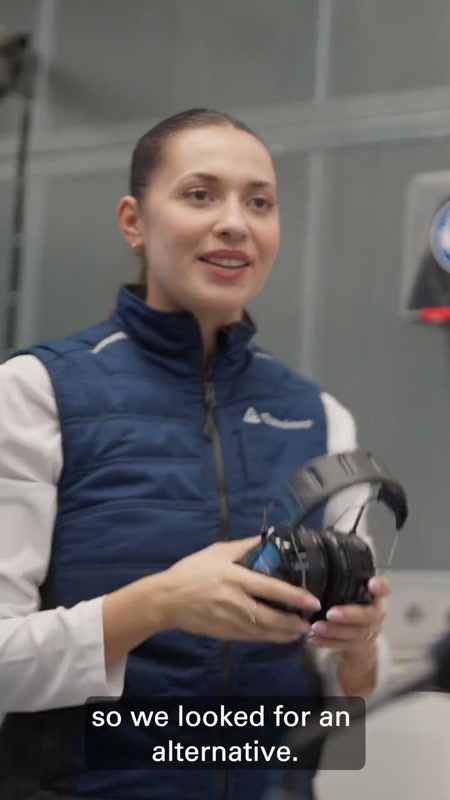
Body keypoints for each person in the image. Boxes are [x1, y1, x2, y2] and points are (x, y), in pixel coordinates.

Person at [0, 108, 391, 800]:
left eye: (260, 202)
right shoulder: (36, 394)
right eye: (200, 194)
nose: (236, 222)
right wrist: (158, 603)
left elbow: (344, 703)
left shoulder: (321, 418)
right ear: (133, 222)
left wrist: (358, 649)